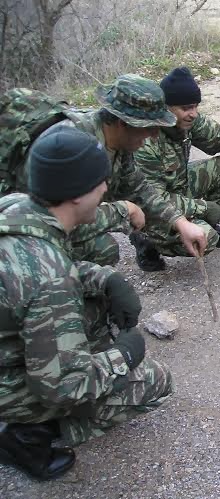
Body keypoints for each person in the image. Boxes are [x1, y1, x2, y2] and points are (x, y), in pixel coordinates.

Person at [0, 127, 173, 480]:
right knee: (154, 382)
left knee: (94, 306)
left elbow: (28, 274)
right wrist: (122, 356)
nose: (106, 189)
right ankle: (26, 438)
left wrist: (106, 278)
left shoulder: (17, 209)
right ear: (77, 195)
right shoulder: (52, 281)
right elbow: (61, 387)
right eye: (100, 183)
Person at [1, 74, 207, 266]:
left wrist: (179, 222)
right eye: (149, 127)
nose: (154, 135)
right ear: (122, 123)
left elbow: (137, 187)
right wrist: (123, 211)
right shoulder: (70, 147)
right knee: (102, 249)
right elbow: (53, 219)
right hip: (18, 227)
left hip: (44, 219)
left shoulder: (120, 141)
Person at [133, 67, 220, 271]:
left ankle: (200, 222)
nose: (193, 114)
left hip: (178, 189)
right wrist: (203, 207)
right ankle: (146, 241)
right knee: (207, 238)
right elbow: (154, 199)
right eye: (187, 108)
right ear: (166, 108)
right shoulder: (146, 142)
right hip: (152, 208)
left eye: (196, 107)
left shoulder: (189, 121)